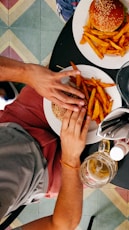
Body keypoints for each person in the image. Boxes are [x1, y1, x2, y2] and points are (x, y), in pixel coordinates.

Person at [0, 56, 88, 227]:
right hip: (48, 176)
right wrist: (70, 159)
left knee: (74, 66)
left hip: (16, 124)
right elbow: (61, 225)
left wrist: (26, 73)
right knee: (122, 145)